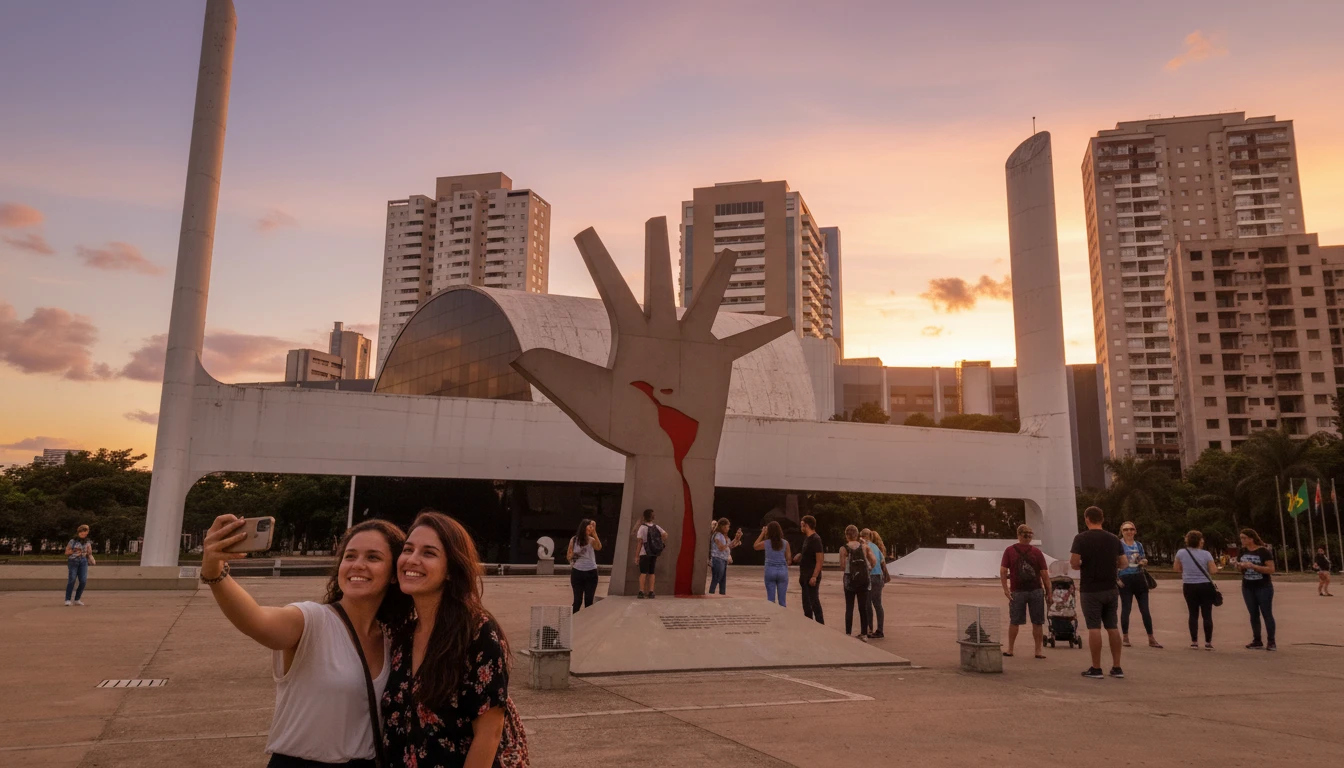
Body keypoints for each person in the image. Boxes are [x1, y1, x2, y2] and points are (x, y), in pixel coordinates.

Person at [201, 515, 411, 767]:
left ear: (393, 574)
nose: (357, 565)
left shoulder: (392, 638)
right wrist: (215, 572)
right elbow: (256, 620)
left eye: (373, 557)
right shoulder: (312, 620)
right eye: (350, 556)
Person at [382, 510, 528, 766]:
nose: (412, 559)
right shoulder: (402, 637)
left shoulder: (477, 633)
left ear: (451, 570)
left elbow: (489, 733)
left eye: (428, 553)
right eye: (408, 550)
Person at [1069, 506, 1128, 679]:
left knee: (1094, 627)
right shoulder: (1114, 539)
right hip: (1111, 588)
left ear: (1087, 519)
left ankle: (1096, 667)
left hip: (1091, 589)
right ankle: (1117, 667)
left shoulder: (1081, 538)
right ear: (1102, 519)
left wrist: (1082, 564)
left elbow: (1074, 562)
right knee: (1112, 626)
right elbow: (1124, 563)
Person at [999, 523, 1051, 659]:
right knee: (1037, 621)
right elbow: (1045, 574)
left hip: (1017, 590)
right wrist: (1049, 593)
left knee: (1015, 621)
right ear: (1029, 537)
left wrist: (1005, 589)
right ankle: (1038, 650)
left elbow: (1003, 571)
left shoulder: (1009, 550)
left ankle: (1010, 649)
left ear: (1018, 535)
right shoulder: (1037, 552)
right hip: (1036, 590)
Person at [1118, 521, 1162, 649]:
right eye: (1126, 530)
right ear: (1122, 532)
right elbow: (1114, 562)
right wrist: (1117, 578)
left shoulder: (1139, 545)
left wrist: (1143, 561)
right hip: (1125, 578)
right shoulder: (1119, 545)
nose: (1129, 532)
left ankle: (1151, 638)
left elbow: (1142, 558)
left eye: (1131, 529)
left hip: (1139, 578)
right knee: (1126, 608)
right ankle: (1125, 637)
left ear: (1135, 531)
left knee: (1145, 610)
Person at [1173, 530, 1218, 650]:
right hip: (1205, 585)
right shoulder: (1206, 554)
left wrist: (1187, 569)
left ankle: (1194, 641)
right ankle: (1208, 642)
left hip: (1189, 585)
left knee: (1193, 614)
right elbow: (1213, 570)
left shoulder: (1181, 553)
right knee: (1207, 614)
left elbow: (1176, 569)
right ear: (1200, 541)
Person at [1234, 528, 1277, 651]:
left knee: (1266, 613)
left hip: (1263, 586)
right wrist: (1240, 566)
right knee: (1253, 614)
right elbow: (1241, 571)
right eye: (1241, 538)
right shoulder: (1242, 551)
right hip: (1248, 586)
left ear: (1251, 539)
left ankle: (1271, 641)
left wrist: (1254, 566)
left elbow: (1271, 569)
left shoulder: (1263, 551)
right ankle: (1257, 640)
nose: (1242, 540)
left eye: (1244, 538)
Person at [841, 525, 877, 641]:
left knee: (849, 607)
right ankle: (864, 634)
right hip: (863, 579)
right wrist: (869, 568)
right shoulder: (864, 547)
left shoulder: (843, 548)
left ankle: (847, 633)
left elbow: (842, 566)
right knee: (863, 607)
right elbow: (874, 560)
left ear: (846, 535)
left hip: (849, 579)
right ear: (857, 535)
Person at [793, 515, 825, 624]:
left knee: (814, 602)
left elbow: (819, 560)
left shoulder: (816, 539)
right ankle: (809, 625)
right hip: (804, 576)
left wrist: (814, 576)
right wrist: (800, 555)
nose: (800, 527)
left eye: (802, 525)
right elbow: (809, 554)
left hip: (811, 576)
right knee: (806, 605)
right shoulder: (807, 539)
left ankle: (821, 625)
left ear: (806, 525)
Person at [567, 518, 602, 613]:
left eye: (592, 526)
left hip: (591, 572)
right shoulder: (574, 540)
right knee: (577, 601)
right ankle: (573, 622)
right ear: (584, 526)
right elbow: (568, 556)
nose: (591, 528)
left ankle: (587, 624)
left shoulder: (591, 540)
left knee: (589, 601)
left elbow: (598, 547)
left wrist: (594, 533)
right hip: (577, 572)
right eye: (590, 525)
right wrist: (575, 554)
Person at [754, 521, 792, 606]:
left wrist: (762, 533)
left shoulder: (766, 543)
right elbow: (789, 559)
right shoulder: (785, 543)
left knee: (770, 600)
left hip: (770, 571)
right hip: (782, 571)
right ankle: (782, 617)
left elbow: (755, 546)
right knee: (782, 601)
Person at [634, 508, 668, 599]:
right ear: (653, 517)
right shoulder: (656, 527)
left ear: (644, 517)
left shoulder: (642, 527)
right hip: (653, 553)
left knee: (643, 572)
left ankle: (641, 591)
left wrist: (636, 556)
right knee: (652, 572)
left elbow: (639, 543)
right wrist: (659, 541)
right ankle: (651, 592)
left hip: (644, 553)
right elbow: (665, 535)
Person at [861, 529, 889, 639]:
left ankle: (869, 629)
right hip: (878, 577)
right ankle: (880, 630)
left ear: (861, 536)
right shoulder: (876, 547)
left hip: (869, 576)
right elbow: (882, 562)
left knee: (868, 604)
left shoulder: (862, 546)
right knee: (878, 604)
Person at [709, 518, 742, 595]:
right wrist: (729, 544)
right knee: (717, 577)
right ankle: (711, 592)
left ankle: (722, 594)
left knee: (722, 580)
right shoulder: (717, 535)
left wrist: (737, 538)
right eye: (727, 527)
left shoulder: (724, 536)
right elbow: (721, 547)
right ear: (722, 527)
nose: (728, 529)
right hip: (717, 559)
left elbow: (731, 546)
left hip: (723, 559)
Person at [64, 524, 95, 606]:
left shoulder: (88, 542)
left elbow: (90, 553)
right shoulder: (72, 541)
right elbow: (66, 552)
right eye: (82, 532)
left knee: (83, 581)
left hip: (83, 561)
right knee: (72, 579)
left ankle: (77, 599)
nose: (83, 533)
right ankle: (67, 599)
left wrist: (89, 553)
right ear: (79, 532)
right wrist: (74, 551)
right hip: (73, 561)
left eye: (85, 532)